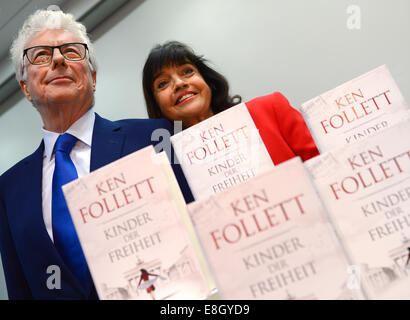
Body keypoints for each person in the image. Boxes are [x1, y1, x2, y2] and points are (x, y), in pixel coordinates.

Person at [0, 10, 192, 300]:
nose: (58, 60)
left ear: (92, 76)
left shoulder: (156, 137)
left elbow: (197, 235)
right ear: (26, 88)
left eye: (71, 51)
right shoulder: (8, 189)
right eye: (40, 56)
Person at [142, 41, 319, 165]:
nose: (179, 83)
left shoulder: (270, 109)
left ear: (207, 81)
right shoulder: (171, 165)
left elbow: (325, 168)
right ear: (156, 105)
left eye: (187, 71)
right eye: (163, 83)